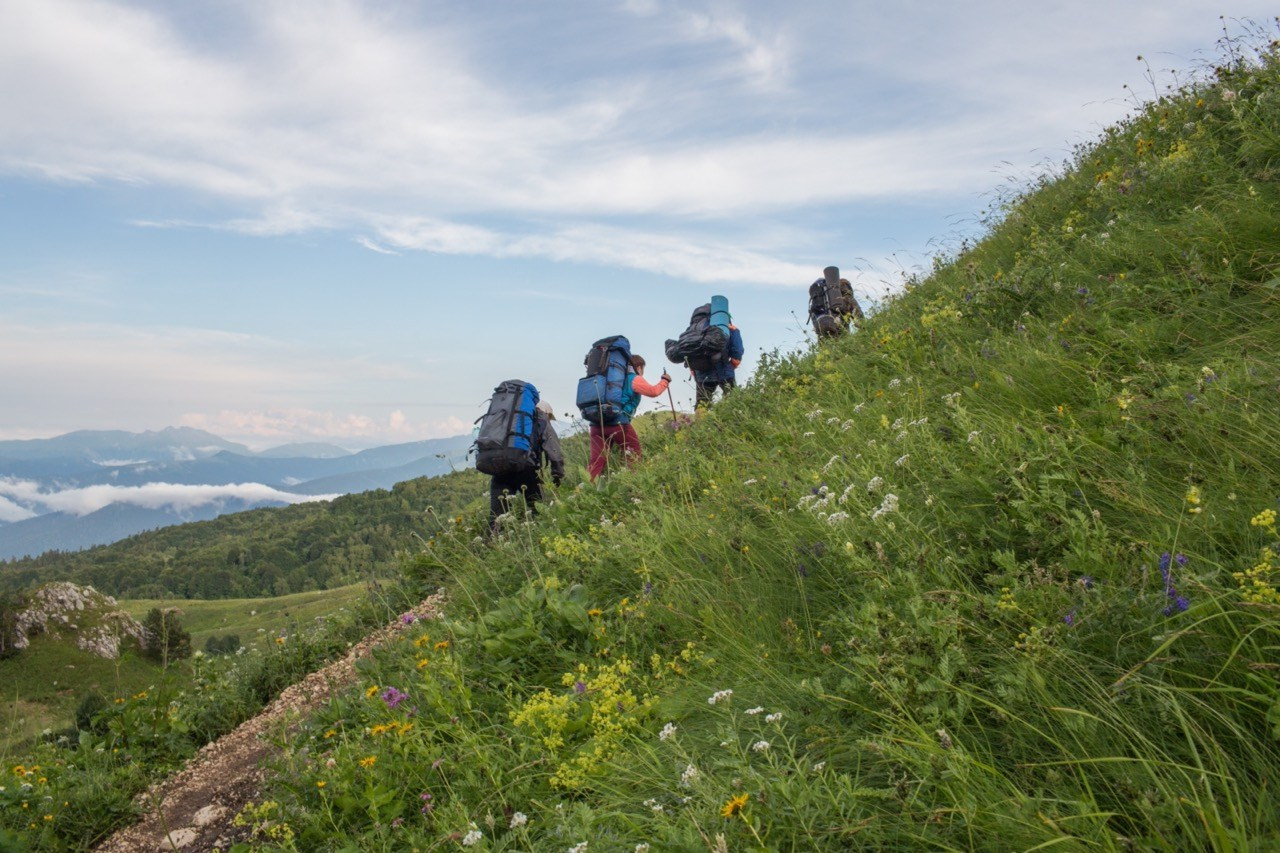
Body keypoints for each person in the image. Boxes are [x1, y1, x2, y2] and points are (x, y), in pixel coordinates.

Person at [588, 355, 670, 481]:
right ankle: (633, 485)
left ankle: (586, 492)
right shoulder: (633, 378)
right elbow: (653, 391)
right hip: (618, 423)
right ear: (639, 367)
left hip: (596, 424)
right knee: (634, 453)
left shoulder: (607, 379)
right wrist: (665, 381)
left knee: (596, 461)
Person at [489, 398, 564, 532]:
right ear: (546, 412)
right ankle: (539, 536)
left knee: (497, 517)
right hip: (527, 468)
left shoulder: (509, 419)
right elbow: (553, 450)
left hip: (500, 467)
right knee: (538, 509)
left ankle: (491, 544)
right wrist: (557, 475)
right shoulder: (541, 418)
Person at [693, 321, 743, 407]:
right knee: (732, 401)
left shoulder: (696, 330)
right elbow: (737, 352)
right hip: (725, 371)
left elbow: (689, 352)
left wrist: (695, 370)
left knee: (702, 404)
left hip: (702, 373)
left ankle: (700, 420)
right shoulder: (731, 329)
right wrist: (731, 366)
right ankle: (730, 418)